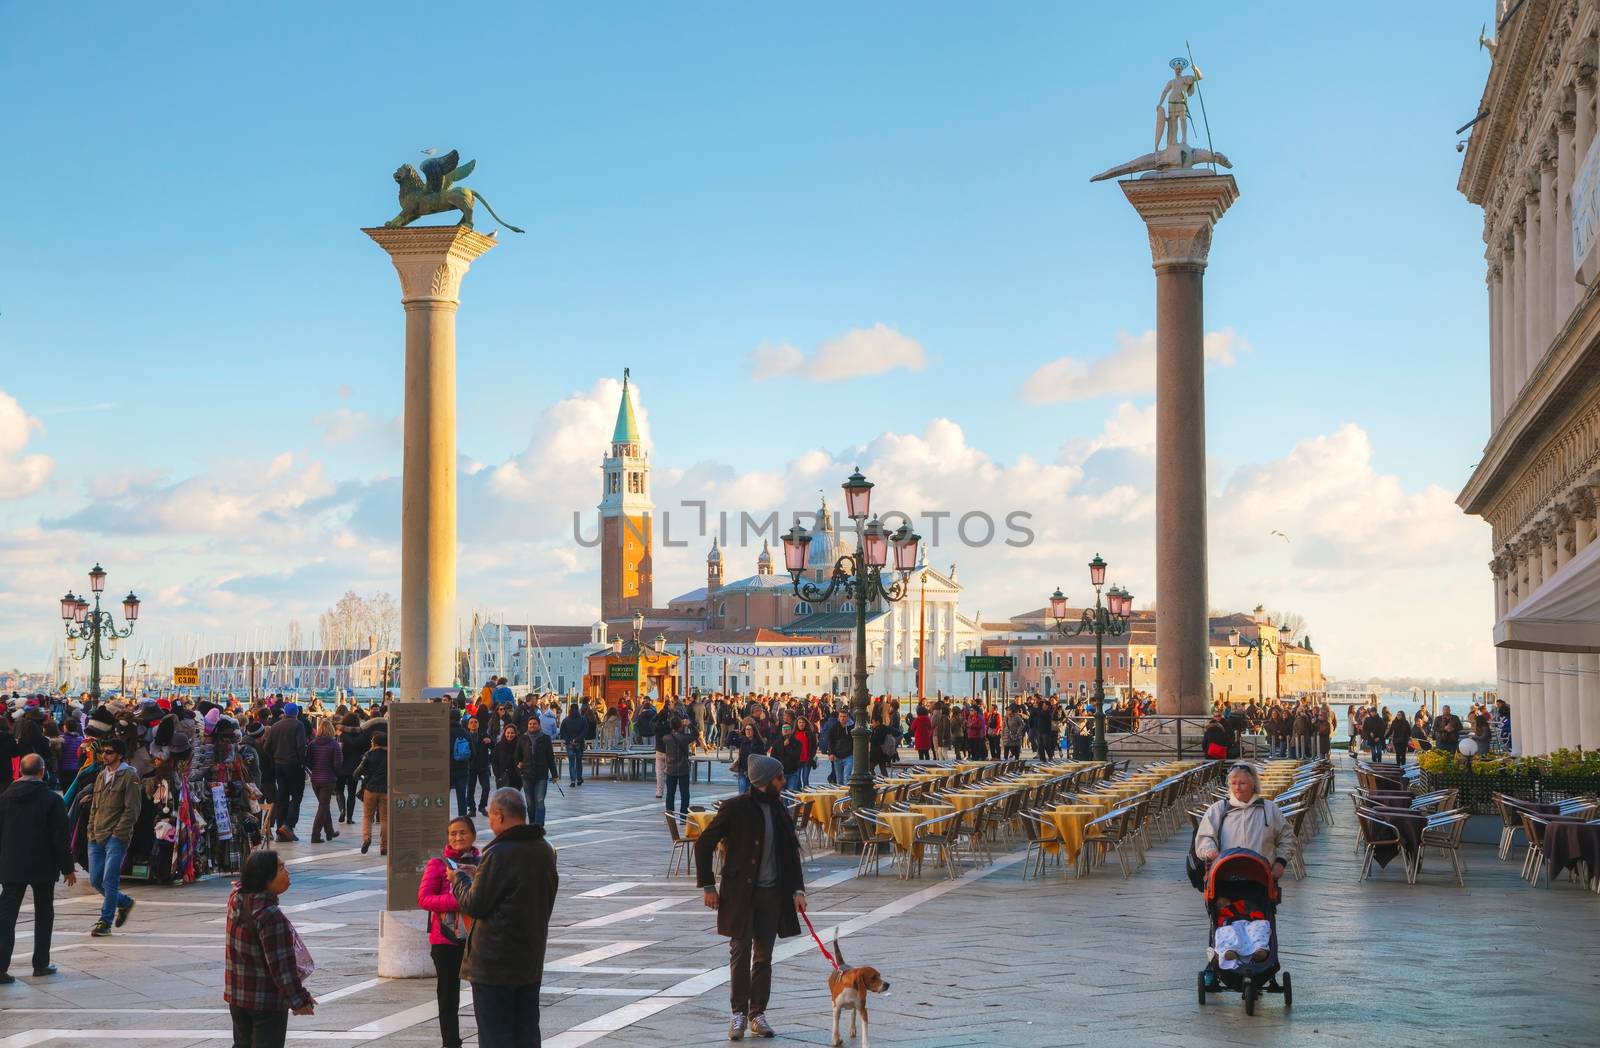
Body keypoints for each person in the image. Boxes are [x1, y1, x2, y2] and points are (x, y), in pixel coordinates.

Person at [695, 754, 806, 1041]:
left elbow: (791, 854)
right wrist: (708, 886)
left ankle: (758, 1013)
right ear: (764, 782)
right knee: (740, 952)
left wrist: (798, 890)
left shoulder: (781, 809)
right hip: (739, 895)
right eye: (779, 778)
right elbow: (704, 844)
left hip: (772, 894)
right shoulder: (735, 809)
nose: (783, 783)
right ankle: (738, 1014)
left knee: (764, 956)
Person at [452, 789, 558, 1048]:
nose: (489, 821)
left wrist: (460, 879)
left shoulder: (498, 853)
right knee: (526, 1034)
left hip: (494, 964)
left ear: (499, 815)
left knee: (495, 1036)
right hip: (529, 958)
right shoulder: (544, 850)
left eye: (490, 815)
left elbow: (475, 904)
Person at [224, 850, 315, 1048]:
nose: (287, 873)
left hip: (238, 997)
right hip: (265, 1001)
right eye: (281, 868)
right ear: (265, 877)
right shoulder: (270, 915)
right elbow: (281, 968)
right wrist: (300, 1000)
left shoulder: (236, 899)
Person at [0, 754, 74, 981]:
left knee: (6, 916)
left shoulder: (4, 798)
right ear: (42, 772)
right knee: (44, 912)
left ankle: (0, 968)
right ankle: (41, 963)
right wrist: (67, 868)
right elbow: (60, 838)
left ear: (20, 771)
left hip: (12, 864)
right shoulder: (52, 800)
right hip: (43, 864)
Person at [419, 817, 480, 1048]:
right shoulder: (438, 864)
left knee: (483, 994)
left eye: (462, 833)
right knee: (448, 996)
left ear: (473, 835)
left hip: (476, 938)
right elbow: (424, 898)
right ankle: (451, 1043)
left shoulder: (483, 862)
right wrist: (458, 900)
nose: (458, 837)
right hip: (445, 939)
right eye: (453, 833)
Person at [1193, 764, 1295, 879]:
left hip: (1262, 876)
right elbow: (1205, 837)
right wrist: (1210, 850)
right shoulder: (1218, 809)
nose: (1237, 787)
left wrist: (1280, 863)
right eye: (1233, 783)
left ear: (1253, 785)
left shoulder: (1269, 809)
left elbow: (1287, 837)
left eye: (1242, 783)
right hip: (1225, 874)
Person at [86, 738, 140, 937]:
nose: (104, 755)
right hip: (96, 835)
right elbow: (95, 806)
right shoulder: (101, 775)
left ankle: (105, 921)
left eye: (109, 752)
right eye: (103, 752)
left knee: (109, 880)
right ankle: (124, 902)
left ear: (119, 754)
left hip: (116, 837)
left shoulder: (129, 776)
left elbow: (132, 809)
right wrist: (90, 829)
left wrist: (119, 833)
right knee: (95, 880)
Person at [264, 703, 308, 843]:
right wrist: (303, 762)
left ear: (284, 712)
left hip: (279, 765)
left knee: (282, 797)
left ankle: (280, 829)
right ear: (296, 713)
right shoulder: (298, 725)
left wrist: (274, 757)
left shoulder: (275, 726)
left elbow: (267, 747)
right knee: (296, 796)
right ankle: (288, 825)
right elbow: (301, 746)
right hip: (294, 765)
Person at [514, 716, 557, 827]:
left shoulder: (545, 738)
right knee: (530, 804)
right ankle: (532, 824)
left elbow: (550, 757)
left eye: (534, 724)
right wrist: (519, 766)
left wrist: (554, 774)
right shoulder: (522, 738)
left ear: (539, 725)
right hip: (527, 775)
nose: (532, 726)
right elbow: (517, 756)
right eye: (530, 724)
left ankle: (539, 825)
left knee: (540, 800)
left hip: (541, 775)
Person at [305, 718, 341, 844]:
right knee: (323, 806)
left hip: (315, 779)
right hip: (328, 779)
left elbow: (308, 761)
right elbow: (337, 764)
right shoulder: (334, 745)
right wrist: (335, 774)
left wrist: (315, 769)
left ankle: (329, 831)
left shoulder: (312, 744)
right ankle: (315, 834)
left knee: (323, 805)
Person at [353, 732, 389, 856]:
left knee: (367, 816)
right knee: (385, 819)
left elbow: (356, 774)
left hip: (370, 790)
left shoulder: (369, 755)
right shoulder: (391, 756)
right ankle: (384, 846)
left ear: (374, 742)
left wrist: (364, 777)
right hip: (386, 791)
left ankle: (367, 838)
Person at [661, 716, 695, 817]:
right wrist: (689, 724)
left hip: (671, 769)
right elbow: (696, 734)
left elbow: (659, 729)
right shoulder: (685, 738)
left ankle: (670, 815)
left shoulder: (666, 738)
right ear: (681, 727)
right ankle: (683, 816)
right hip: (683, 768)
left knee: (670, 794)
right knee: (684, 793)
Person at [559, 703, 588, 788]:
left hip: (569, 743)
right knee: (579, 761)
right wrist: (578, 739)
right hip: (580, 743)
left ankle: (572, 780)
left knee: (571, 762)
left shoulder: (565, 720)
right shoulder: (583, 719)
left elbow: (562, 733)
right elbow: (585, 731)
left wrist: (569, 740)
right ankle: (579, 778)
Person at [821, 710, 852, 787]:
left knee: (847, 777)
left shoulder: (851, 727)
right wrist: (831, 753)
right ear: (838, 717)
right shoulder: (834, 727)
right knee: (839, 779)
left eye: (844, 717)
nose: (842, 718)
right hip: (837, 756)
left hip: (849, 755)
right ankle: (841, 796)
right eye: (841, 716)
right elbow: (830, 741)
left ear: (847, 717)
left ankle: (847, 796)